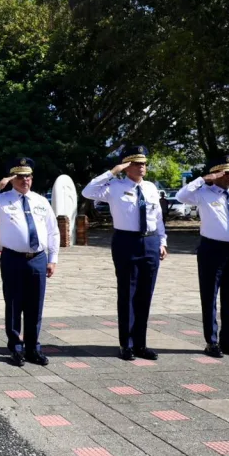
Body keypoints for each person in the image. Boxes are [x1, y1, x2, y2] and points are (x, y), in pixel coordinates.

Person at [82, 146, 168, 361]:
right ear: (128, 166)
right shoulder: (115, 186)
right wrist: (113, 171)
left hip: (150, 241)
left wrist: (162, 241)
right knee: (127, 293)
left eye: (144, 163)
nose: (142, 167)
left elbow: (157, 218)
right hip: (126, 241)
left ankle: (141, 343)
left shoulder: (150, 188)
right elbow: (87, 191)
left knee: (145, 294)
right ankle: (126, 344)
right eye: (137, 163)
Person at [0, 157, 59, 367]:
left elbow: (53, 231)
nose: (25, 180)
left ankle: (33, 348)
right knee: (13, 304)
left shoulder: (40, 201)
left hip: (38, 258)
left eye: (28, 176)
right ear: (12, 179)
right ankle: (16, 348)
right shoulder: (2, 200)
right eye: (20, 177)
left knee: (35, 305)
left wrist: (53, 259)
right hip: (13, 258)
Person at [175, 155, 229, 358]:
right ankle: (212, 341)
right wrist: (204, 179)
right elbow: (181, 196)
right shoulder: (203, 193)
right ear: (216, 174)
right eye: (226, 173)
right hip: (212, 250)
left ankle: (228, 339)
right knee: (210, 297)